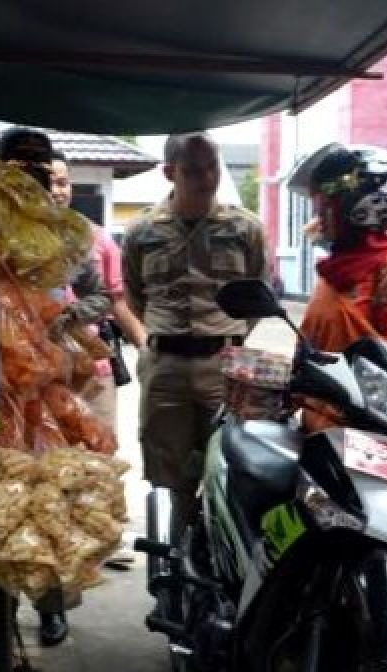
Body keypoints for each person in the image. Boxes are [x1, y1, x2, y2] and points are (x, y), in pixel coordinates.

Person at [0, 127, 112, 647]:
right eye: (16, 166)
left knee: (55, 497)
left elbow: (98, 297)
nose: (28, 174)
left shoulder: (70, 232)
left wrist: (65, 322)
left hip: (52, 385)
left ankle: (52, 607)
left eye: (36, 166)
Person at [122, 131, 269, 536]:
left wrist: (228, 337)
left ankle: (227, 580)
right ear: (169, 172)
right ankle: (178, 579)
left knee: (236, 472)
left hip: (226, 368)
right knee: (171, 480)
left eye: (212, 168)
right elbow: (136, 298)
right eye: (193, 170)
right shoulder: (142, 231)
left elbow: (257, 294)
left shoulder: (245, 228)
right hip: (165, 369)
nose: (206, 179)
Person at [288, 143, 387, 430]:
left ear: (361, 207)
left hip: (361, 431)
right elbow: (313, 342)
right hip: (317, 421)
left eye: (326, 207)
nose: (317, 217)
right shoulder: (335, 268)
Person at [49, 152, 147, 433]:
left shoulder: (94, 237)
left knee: (98, 453)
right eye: (49, 182)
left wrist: (145, 345)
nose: (57, 191)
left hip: (91, 366)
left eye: (63, 183)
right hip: (36, 366)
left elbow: (115, 300)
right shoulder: (6, 239)